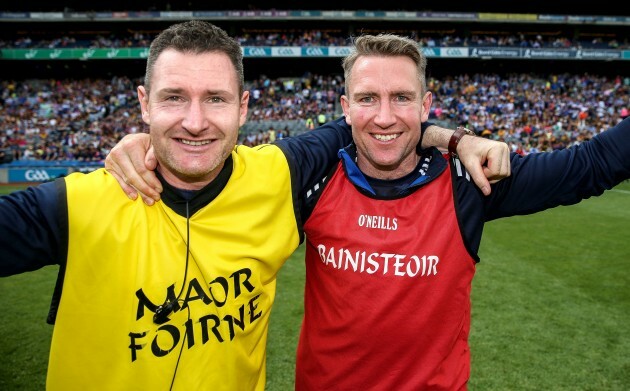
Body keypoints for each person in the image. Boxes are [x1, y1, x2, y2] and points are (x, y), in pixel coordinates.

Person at [0, 22, 509, 390]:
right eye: (174, 97)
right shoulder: (78, 202)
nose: (196, 121)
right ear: (143, 103)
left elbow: (377, 122)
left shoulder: (279, 172)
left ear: (243, 107)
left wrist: (453, 136)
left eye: (216, 99)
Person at [107, 33, 630, 390]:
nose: (384, 116)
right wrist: (146, 141)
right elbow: (213, 162)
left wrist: (457, 140)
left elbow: (592, 166)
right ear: (344, 106)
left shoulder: (470, 182)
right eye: (367, 98)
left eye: (402, 98)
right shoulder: (310, 175)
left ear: (427, 107)